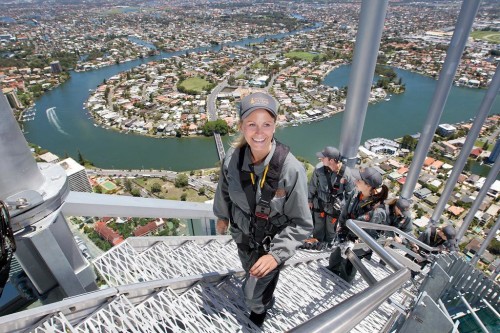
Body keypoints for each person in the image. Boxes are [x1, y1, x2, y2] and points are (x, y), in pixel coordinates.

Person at [213, 91, 313, 327]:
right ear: (241, 127)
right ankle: (257, 296)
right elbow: (224, 190)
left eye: (266, 124)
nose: (259, 132)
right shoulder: (233, 160)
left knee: (254, 297)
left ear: (275, 126)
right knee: (248, 270)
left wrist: (275, 255)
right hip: (243, 237)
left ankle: (260, 311)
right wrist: (222, 217)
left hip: (271, 246)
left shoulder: (291, 171)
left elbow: (302, 223)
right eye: (252, 124)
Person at [327, 167, 388, 283]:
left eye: (359, 180)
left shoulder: (377, 211)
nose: (355, 181)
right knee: (334, 258)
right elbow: (345, 211)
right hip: (345, 234)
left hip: (358, 244)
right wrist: (341, 226)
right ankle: (332, 271)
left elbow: (370, 234)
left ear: (369, 186)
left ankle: (344, 284)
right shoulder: (356, 193)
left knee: (348, 266)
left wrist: (356, 242)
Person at [306, 146, 355, 245]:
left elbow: (350, 195)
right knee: (318, 228)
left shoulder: (346, 173)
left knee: (331, 230)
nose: (320, 159)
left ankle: (328, 246)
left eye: (323, 157)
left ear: (331, 160)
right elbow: (313, 185)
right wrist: (309, 200)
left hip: (334, 207)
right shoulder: (319, 169)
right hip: (319, 203)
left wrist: (344, 214)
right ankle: (317, 244)